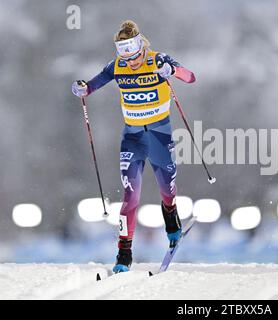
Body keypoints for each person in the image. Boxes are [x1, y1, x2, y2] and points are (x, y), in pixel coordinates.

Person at [71, 20, 196, 273]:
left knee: (167, 190)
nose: (132, 63)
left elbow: (191, 77)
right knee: (130, 195)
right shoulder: (116, 66)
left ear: (142, 49)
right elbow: (92, 85)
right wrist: (82, 88)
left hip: (159, 137)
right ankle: (124, 253)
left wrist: (171, 71)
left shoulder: (158, 60)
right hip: (133, 139)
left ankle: (172, 221)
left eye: (136, 57)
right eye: (127, 59)